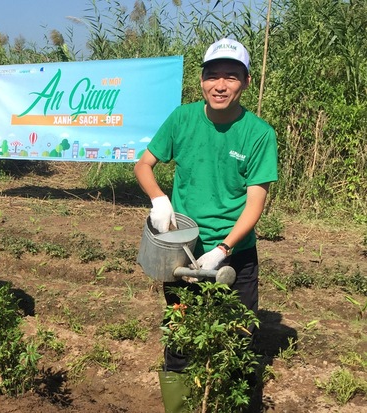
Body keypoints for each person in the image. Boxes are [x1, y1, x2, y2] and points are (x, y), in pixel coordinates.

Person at [134, 38, 278, 406]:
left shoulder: (259, 133)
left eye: (231, 76)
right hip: (182, 253)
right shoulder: (182, 119)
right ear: (201, 81)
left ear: (245, 82)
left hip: (235, 257)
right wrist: (159, 198)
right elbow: (143, 164)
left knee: (238, 342)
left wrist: (223, 248)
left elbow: (255, 204)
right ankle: (180, 406)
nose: (220, 84)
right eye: (212, 75)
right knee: (181, 340)